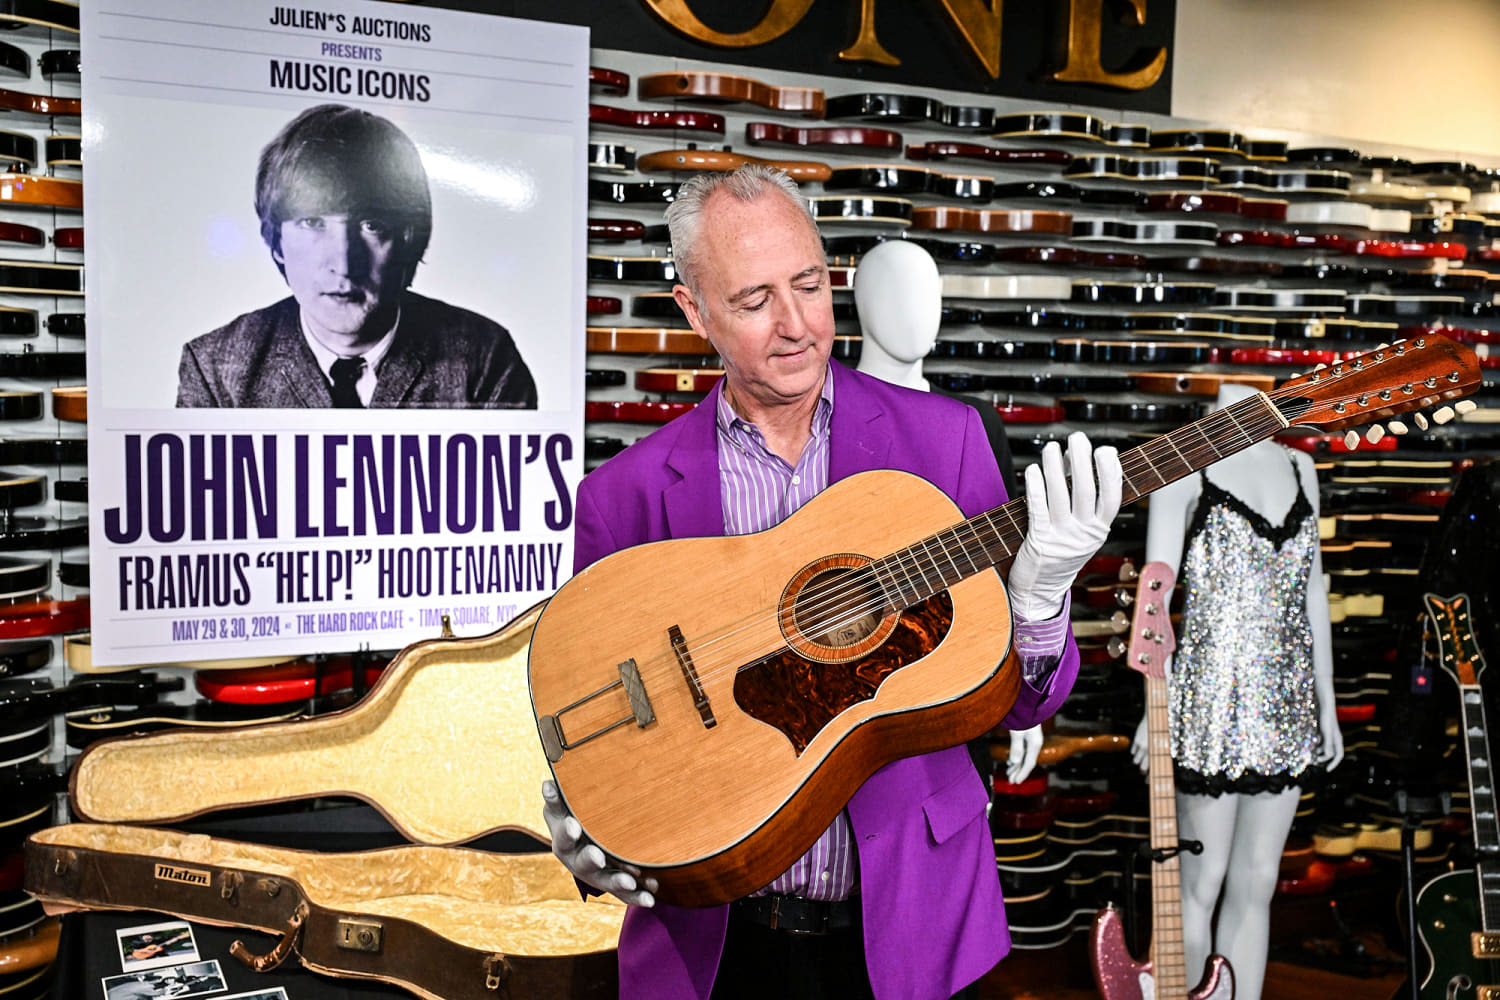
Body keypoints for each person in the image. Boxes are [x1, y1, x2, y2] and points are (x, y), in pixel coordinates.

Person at [542, 164, 1122, 1000]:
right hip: (713, 944)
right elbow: (594, 702)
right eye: (752, 302)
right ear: (693, 311)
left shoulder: (946, 442)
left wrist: (1039, 597)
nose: (796, 326)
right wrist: (587, 811)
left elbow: (1021, 705)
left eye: (810, 285)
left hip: (911, 930)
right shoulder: (623, 496)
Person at [1132, 382, 1343, 1000]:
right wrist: (1155, 706)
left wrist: (1326, 703)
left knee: (1259, 881)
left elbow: (1314, 594)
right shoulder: (1185, 460)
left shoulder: (1301, 466)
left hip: (1287, 703)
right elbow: (1156, 597)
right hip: (1208, 707)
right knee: (1199, 883)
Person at [176, 103, 536, 409]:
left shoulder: (485, 358)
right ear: (275, 241)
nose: (344, 264)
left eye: (372, 224)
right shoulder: (216, 368)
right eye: (313, 222)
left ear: (410, 238)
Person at [851, 238, 1041, 787]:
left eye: (927, 294)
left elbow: (1004, 565)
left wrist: (1018, 687)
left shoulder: (975, 421)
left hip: (960, 683)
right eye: (895, 293)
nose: (917, 312)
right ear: (861, 303)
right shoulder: (822, 417)